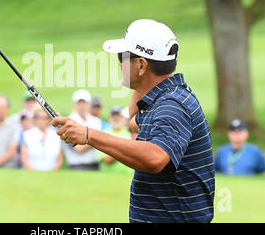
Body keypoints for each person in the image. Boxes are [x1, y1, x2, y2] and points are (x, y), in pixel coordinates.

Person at [52, 19, 215, 223]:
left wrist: (88, 135)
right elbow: (133, 120)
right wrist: (138, 80)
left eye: (123, 57)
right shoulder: (164, 94)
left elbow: (154, 158)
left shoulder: (172, 106)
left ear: (141, 64)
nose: (119, 63)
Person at [62, 89, 102, 171]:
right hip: (76, 167)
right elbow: (78, 148)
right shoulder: (68, 121)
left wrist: (89, 140)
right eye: (79, 103)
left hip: (95, 165)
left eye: (84, 103)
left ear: (89, 104)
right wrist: (96, 139)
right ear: (74, 104)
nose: (82, 106)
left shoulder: (96, 121)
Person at [21, 106, 63, 171]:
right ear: (34, 118)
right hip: (32, 174)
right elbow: (24, 158)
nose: (42, 121)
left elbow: (59, 159)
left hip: (52, 174)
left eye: (45, 118)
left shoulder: (55, 135)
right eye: (39, 118)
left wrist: (53, 172)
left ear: (49, 119)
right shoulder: (27, 135)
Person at [97, 105, 132, 173]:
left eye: (118, 116)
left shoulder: (130, 133)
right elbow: (106, 159)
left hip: (128, 176)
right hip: (109, 177)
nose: (116, 118)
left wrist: (116, 151)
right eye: (113, 116)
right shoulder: (102, 134)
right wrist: (126, 150)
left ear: (123, 118)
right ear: (109, 118)